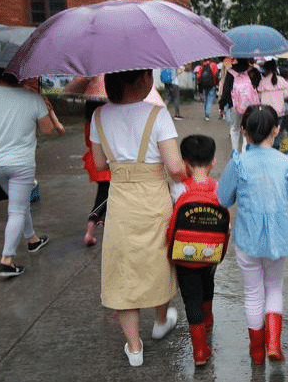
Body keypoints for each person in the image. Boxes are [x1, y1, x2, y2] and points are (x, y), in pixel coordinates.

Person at [90, 69, 187, 367]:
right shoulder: (157, 115)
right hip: (153, 199)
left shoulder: (98, 116)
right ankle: (160, 321)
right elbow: (174, 168)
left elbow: (99, 163)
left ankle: (134, 347)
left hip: (120, 201)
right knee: (158, 260)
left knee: (123, 270)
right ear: (143, 79)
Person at [217, 105, 288, 365]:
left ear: (243, 130)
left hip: (248, 238)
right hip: (278, 238)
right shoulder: (286, 162)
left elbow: (222, 198)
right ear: (276, 130)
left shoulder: (239, 162)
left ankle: (256, 353)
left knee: (253, 293)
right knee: (274, 287)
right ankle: (274, 343)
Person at [0, 67, 64, 277]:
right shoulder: (33, 98)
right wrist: (43, 108)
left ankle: (32, 239)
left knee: (19, 204)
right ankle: (7, 260)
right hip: (21, 164)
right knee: (17, 210)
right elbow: (48, 130)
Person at [167, 134, 220, 367]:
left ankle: (199, 351)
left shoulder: (177, 188)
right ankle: (208, 319)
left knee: (191, 299)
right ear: (213, 162)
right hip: (210, 253)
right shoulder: (217, 188)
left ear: (184, 163)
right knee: (208, 285)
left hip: (183, 255)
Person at [64, 75, 111, 246]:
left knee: (104, 195)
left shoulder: (91, 119)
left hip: (97, 158)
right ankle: (90, 230)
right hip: (110, 162)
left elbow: (88, 141)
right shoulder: (111, 116)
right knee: (104, 197)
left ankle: (95, 227)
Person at [218, 58, 261, 152]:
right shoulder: (254, 72)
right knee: (247, 129)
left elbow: (226, 91)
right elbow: (258, 87)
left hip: (235, 105)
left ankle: (235, 152)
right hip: (251, 106)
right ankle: (245, 152)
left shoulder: (231, 72)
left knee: (235, 129)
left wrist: (222, 105)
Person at [257, 60, 288, 151]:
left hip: (266, 113)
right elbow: (286, 95)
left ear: (266, 70)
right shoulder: (282, 80)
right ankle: (275, 151)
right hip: (279, 113)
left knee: (267, 134)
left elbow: (259, 97)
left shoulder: (262, 82)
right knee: (277, 135)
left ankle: (267, 151)